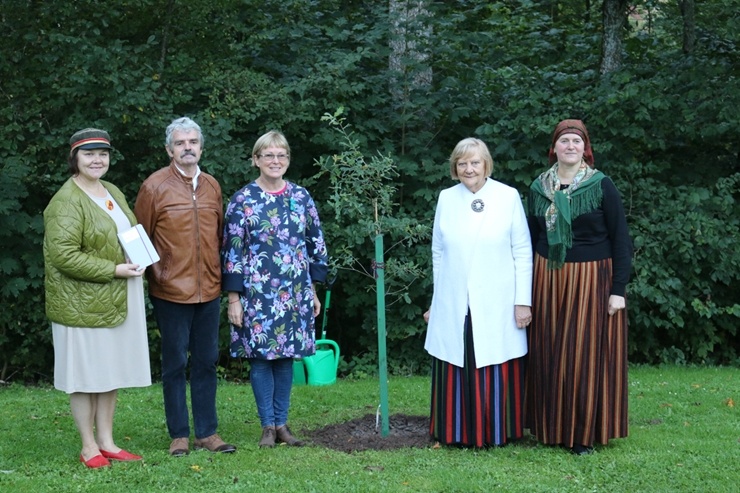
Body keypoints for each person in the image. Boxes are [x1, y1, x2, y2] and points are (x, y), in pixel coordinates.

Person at [44, 128, 152, 468]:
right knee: (86, 374)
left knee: (109, 370)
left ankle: (107, 440)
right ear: (74, 159)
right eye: (89, 154)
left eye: (102, 154)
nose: (97, 160)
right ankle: (88, 446)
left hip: (116, 297)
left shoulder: (112, 191)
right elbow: (63, 255)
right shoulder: (66, 201)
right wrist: (115, 269)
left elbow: (129, 233)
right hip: (81, 302)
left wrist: (142, 258)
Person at [525, 119, 632, 455]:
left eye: (576, 141)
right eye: (564, 141)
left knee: (583, 354)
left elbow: (622, 240)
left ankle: (582, 433)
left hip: (591, 279)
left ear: (585, 148)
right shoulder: (538, 188)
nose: (570, 146)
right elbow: (529, 240)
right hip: (548, 277)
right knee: (550, 351)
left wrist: (619, 289)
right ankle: (549, 426)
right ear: (553, 147)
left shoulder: (601, 186)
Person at [134, 117, 235, 456]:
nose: (187, 147)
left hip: (209, 289)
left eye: (193, 142)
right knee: (175, 362)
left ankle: (207, 433)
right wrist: (156, 275)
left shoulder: (212, 186)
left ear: (201, 147)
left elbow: (219, 235)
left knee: (206, 361)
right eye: (180, 143)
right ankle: (179, 433)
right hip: (170, 291)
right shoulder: (154, 187)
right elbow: (139, 238)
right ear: (169, 149)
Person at [423, 137, 533, 448]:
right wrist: (438, 300)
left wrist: (522, 302)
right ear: (455, 168)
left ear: (486, 164)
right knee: (454, 358)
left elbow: (523, 251)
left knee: (494, 360)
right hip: (455, 298)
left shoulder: (507, 196)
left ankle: (496, 430)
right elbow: (438, 252)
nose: (469, 168)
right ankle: (454, 431)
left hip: (498, 298)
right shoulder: (446, 198)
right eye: (462, 163)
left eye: (475, 162)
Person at [221, 130, 328, 448]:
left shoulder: (301, 197)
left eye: (281, 155)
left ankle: (282, 424)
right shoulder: (242, 200)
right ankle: (267, 425)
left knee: (285, 358)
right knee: (260, 359)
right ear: (256, 160)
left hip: (295, 291)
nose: (275, 161)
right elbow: (231, 250)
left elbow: (316, 243)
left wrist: (313, 289)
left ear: (288, 160)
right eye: (268, 155)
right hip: (256, 292)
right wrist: (233, 298)